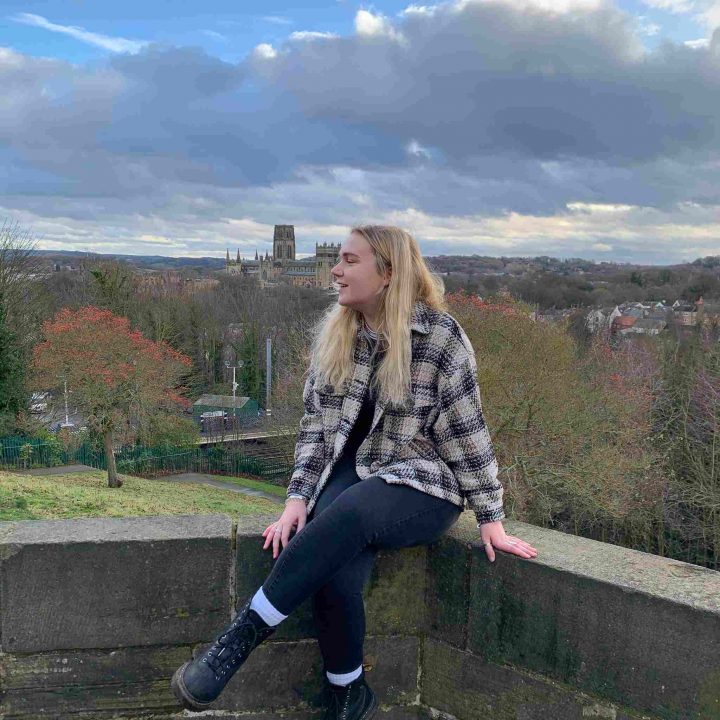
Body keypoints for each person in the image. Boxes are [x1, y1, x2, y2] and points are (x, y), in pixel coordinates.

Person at [171, 225, 538, 718]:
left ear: (387, 274)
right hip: (352, 476)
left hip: (421, 480)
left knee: (350, 514)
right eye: (337, 260)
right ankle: (347, 695)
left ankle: (241, 636)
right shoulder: (338, 332)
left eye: (349, 261)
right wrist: (297, 499)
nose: (336, 271)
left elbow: (467, 432)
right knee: (334, 568)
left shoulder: (441, 338)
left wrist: (490, 515)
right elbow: (314, 430)